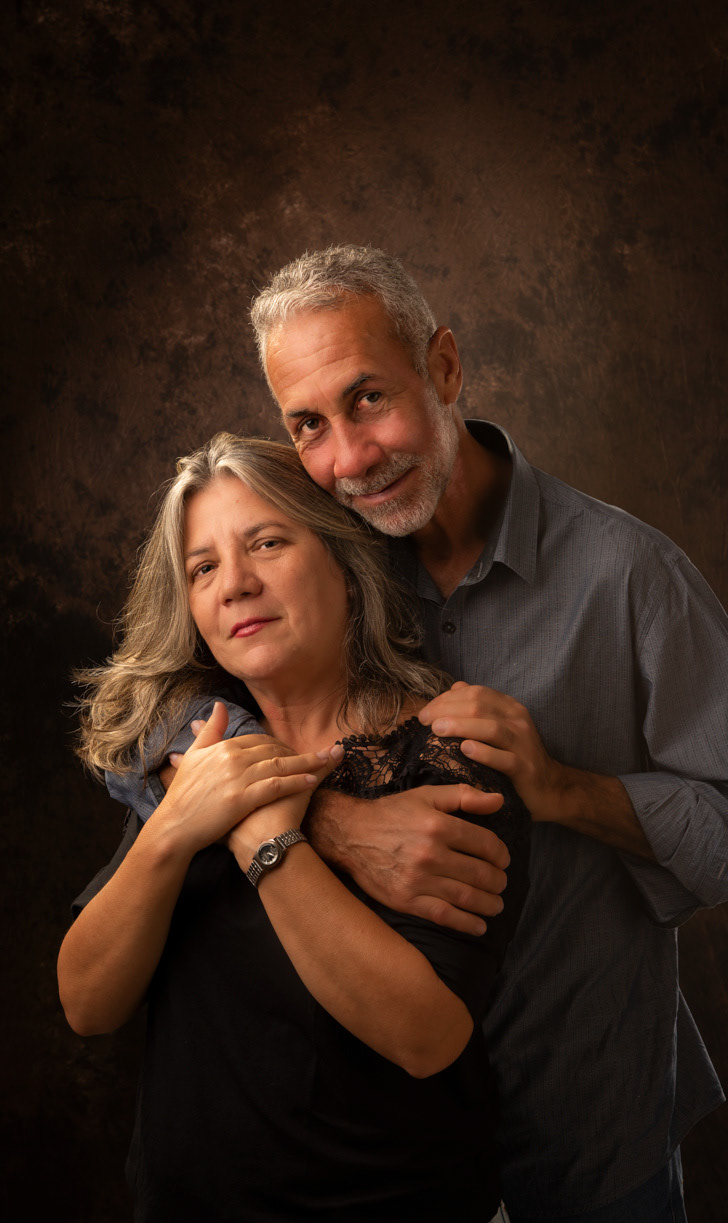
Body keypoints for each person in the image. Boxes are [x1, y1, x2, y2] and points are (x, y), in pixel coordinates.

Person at [114, 246, 728, 1221]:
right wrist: (327, 821)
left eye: (369, 399)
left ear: (443, 367)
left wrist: (564, 787)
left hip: (580, 1121)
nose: (350, 458)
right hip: (379, 1151)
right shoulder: (319, 555)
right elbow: (152, 716)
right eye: (309, 425)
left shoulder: (628, 576)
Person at [57, 433, 530, 1223]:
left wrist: (263, 835)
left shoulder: (452, 758)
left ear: (345, 559)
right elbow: (86, 1004)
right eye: (202, 567)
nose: (234, 584)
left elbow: (427, 1037)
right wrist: (173, 830)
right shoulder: (197, 748)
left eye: (267, 543)